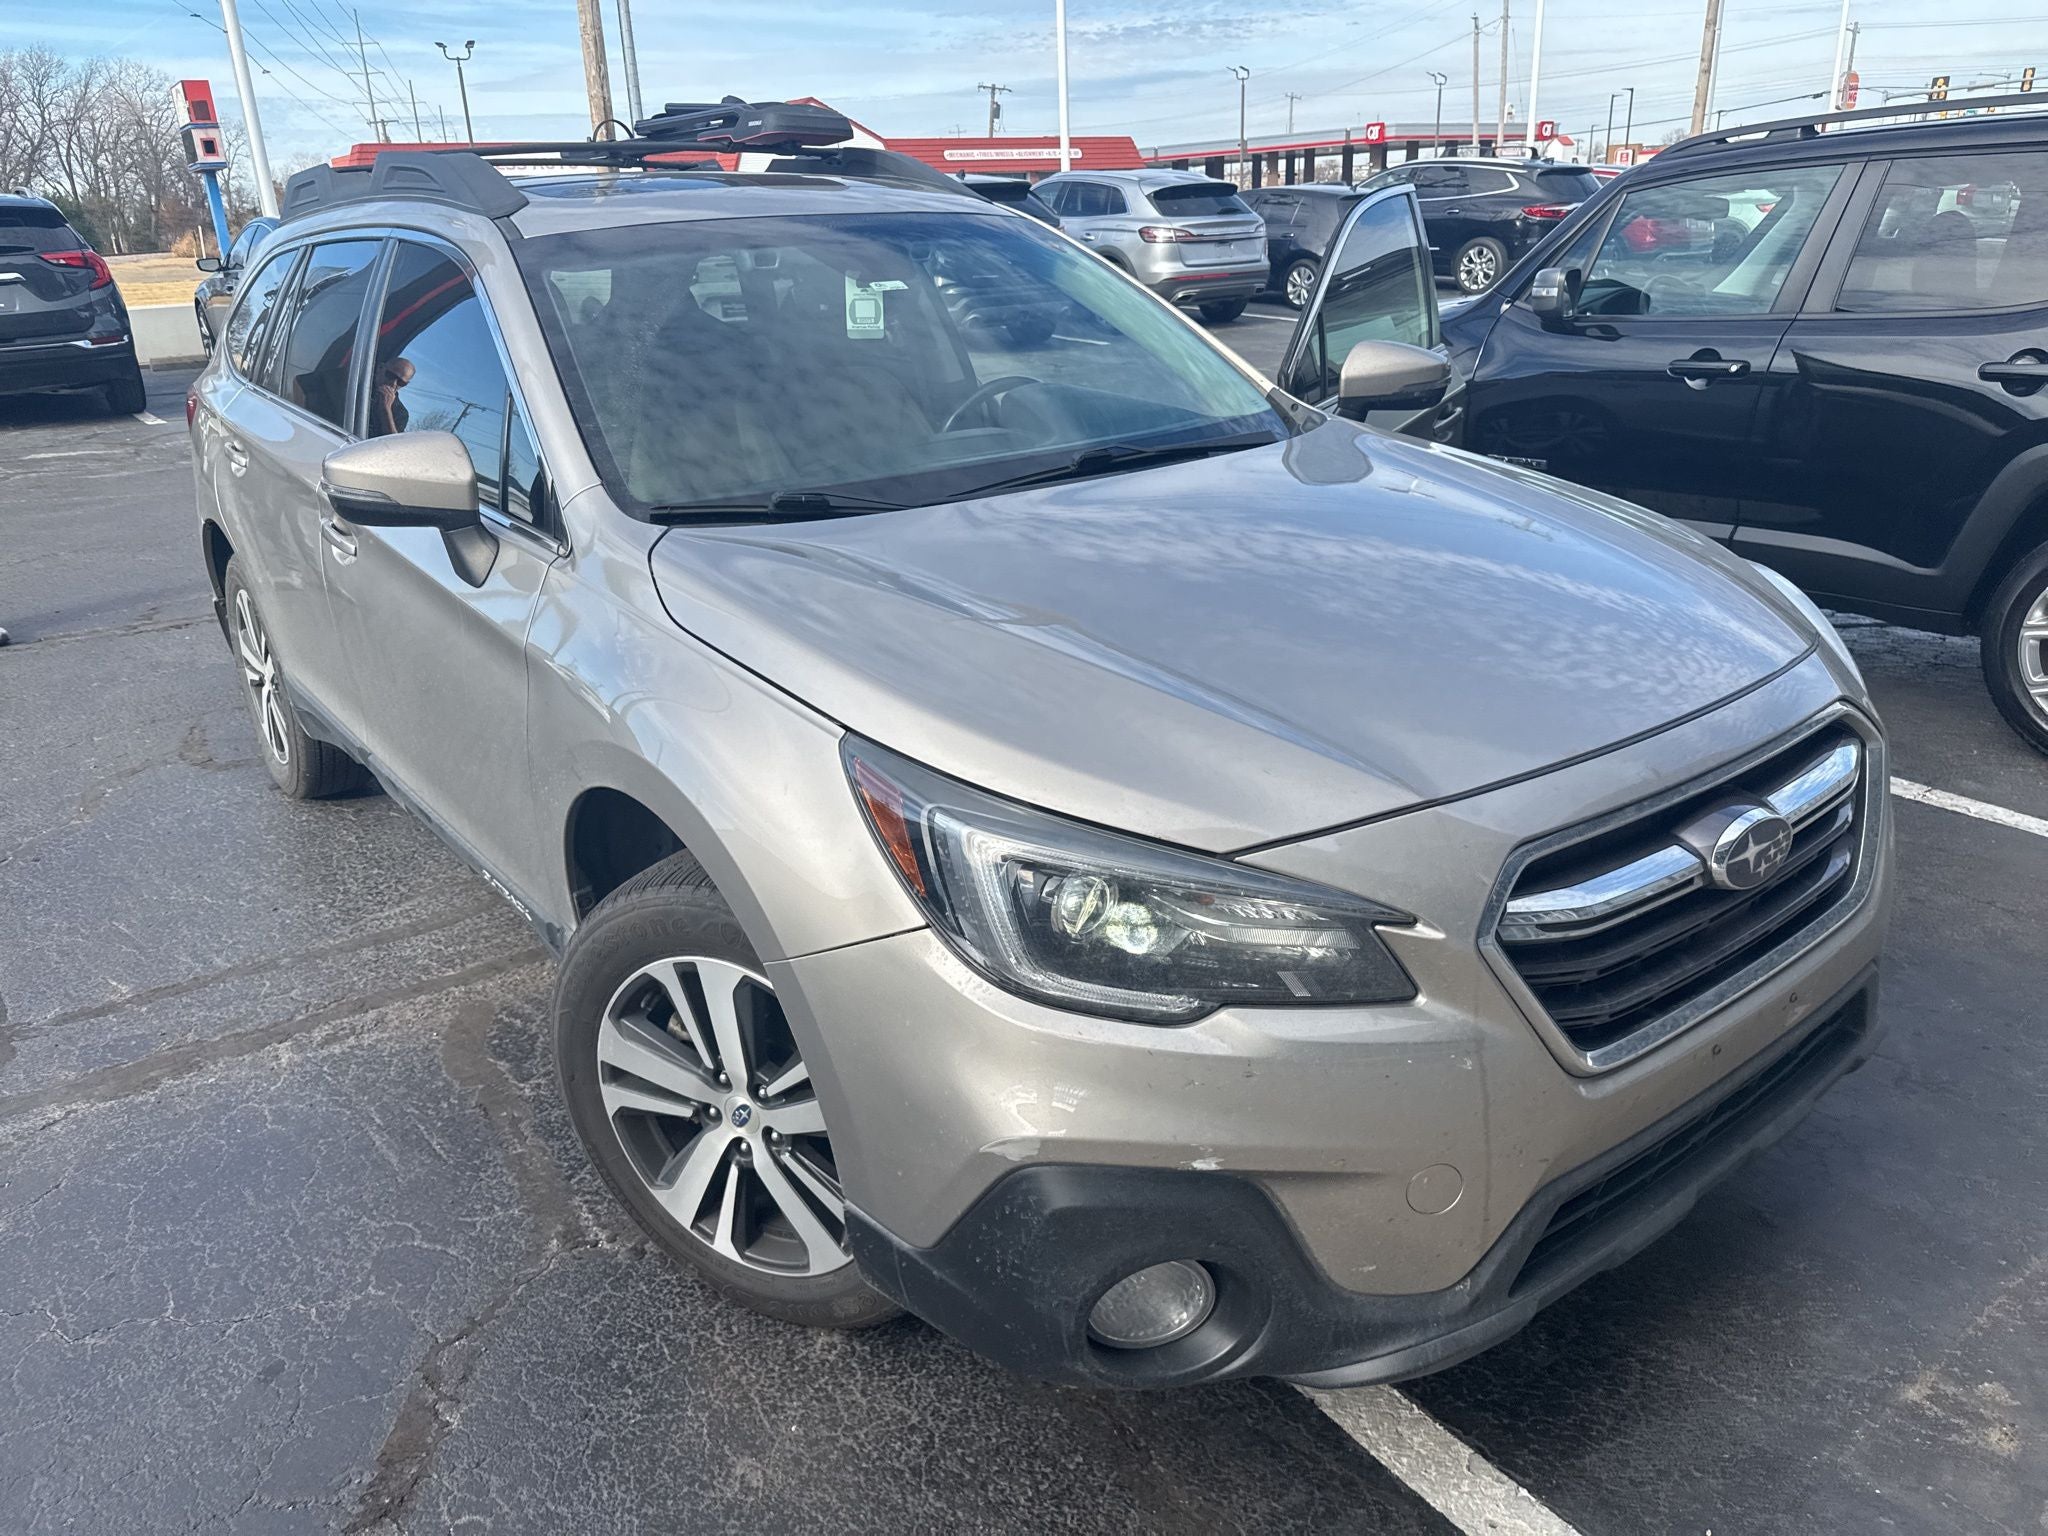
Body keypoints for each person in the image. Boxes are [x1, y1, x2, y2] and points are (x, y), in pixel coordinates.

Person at [370, 357, 415, 437]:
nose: (393, 384)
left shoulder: (401, 413)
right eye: (391, 376)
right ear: (380, 368)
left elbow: (390, 443)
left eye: (401, 382)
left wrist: (386, 409)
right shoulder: (357, 384)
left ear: (406, 384)